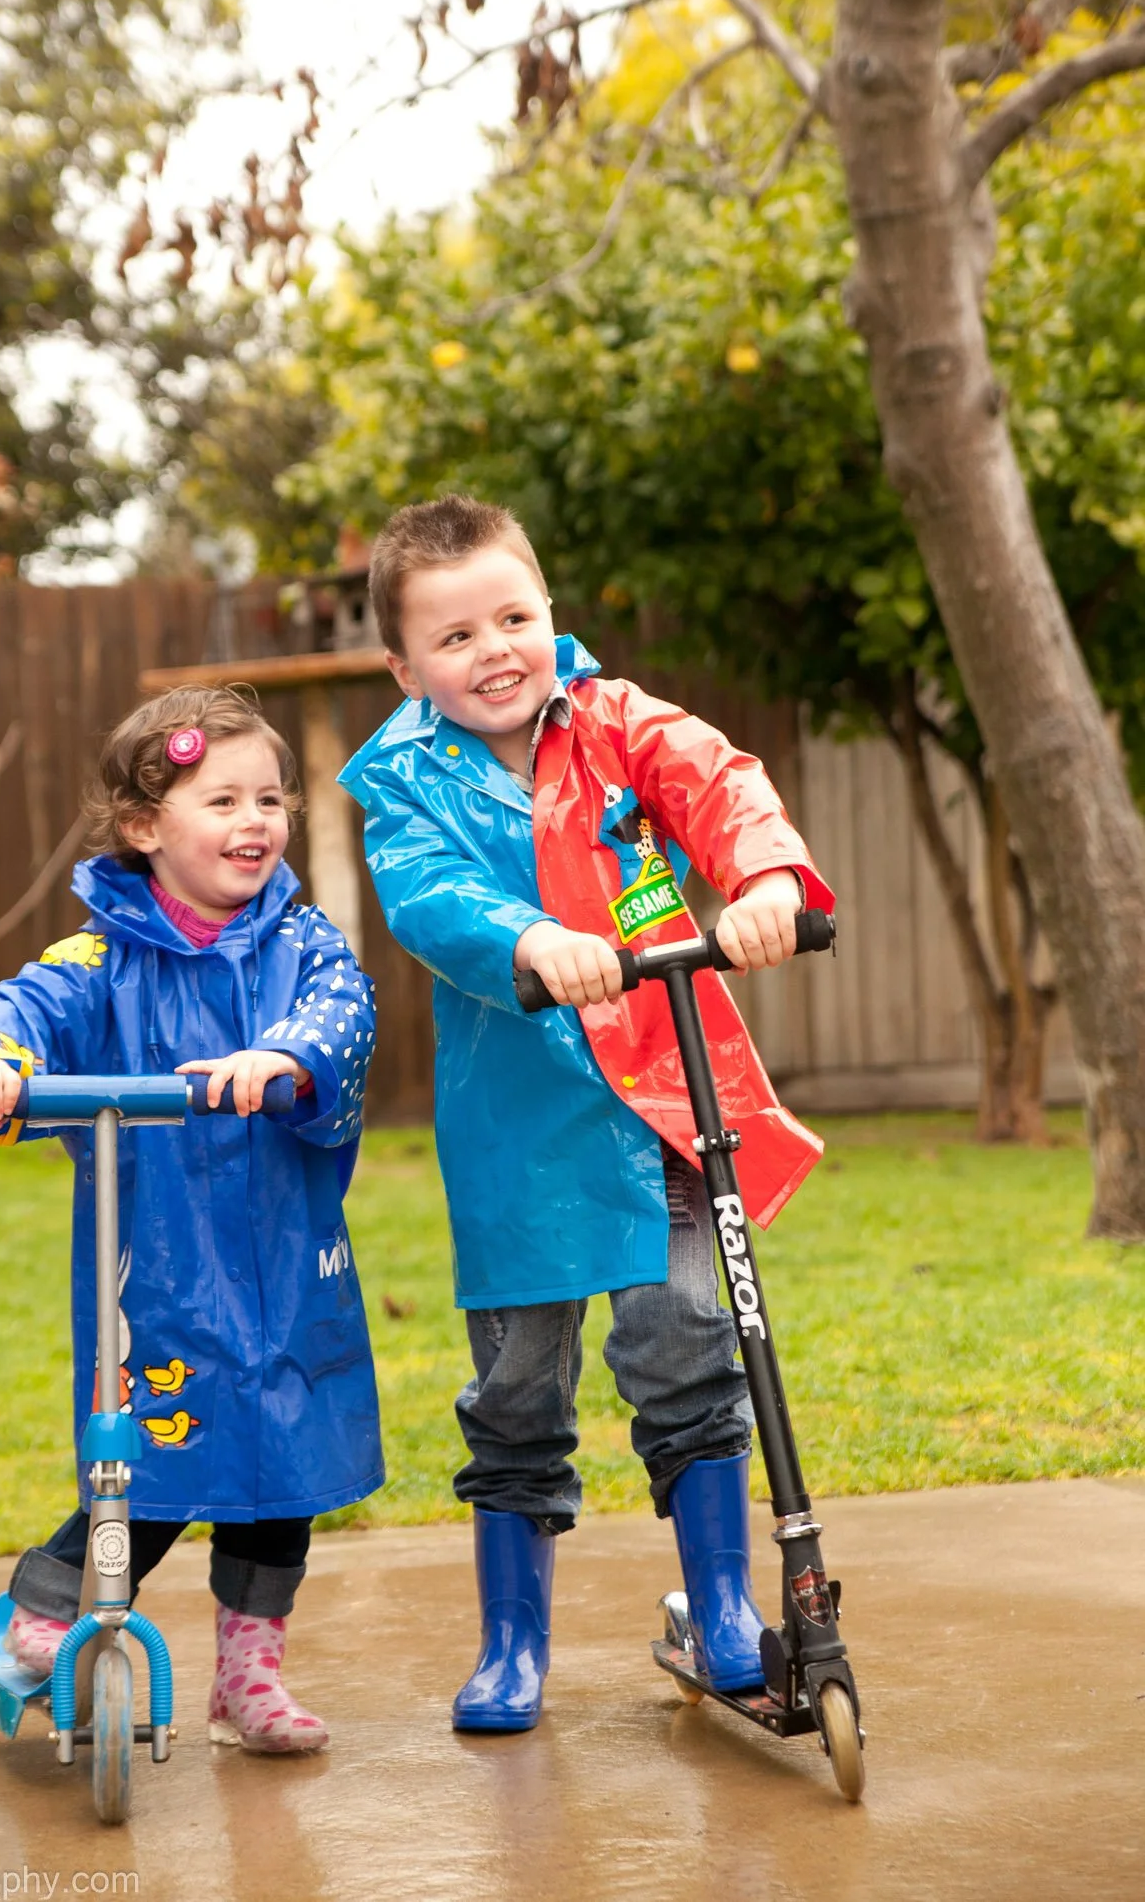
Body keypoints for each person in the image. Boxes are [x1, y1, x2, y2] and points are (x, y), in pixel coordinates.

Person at [340, 494, 833, 1734]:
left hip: (665, 1094)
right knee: (517, 1385)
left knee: (684, 1334)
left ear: (551, 616)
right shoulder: (405, 783)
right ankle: (513, 1645)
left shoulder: (618, 723)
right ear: (403, 668)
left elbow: (717, 782)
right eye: (454, 638)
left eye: (514, 616)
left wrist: (766, 877)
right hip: (520, 1126)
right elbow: (428, 896)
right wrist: (530, 939)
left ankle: (725, 1611)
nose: (494, 649)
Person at [0, 686, 382, 1755]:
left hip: (285, 1268)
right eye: (221, 798)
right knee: (145, 1468)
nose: (255, 821)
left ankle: (249, 1675)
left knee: (280, 1475)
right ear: (145, 829)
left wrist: (283, 1058)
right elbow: (26, 1006)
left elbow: (344, 1010)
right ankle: (50, 1614)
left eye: (270, 798)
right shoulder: (103, 960)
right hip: (160, 1278)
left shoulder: (303, 944)